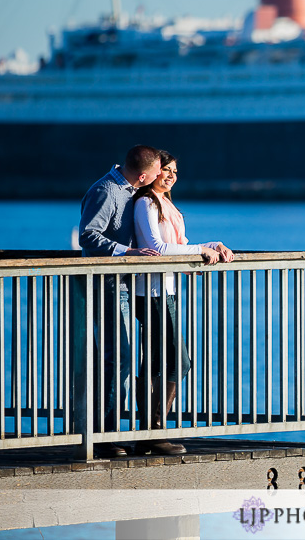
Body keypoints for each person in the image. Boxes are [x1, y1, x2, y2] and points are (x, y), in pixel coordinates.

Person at [132, 150, 233, 455]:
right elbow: (158, 247)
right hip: (149, 291)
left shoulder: (168, 205)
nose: (172, 175)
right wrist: (201, 249)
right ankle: (154, 431)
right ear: (153, 172)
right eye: (166, 169)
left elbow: (182, 246)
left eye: (175, 171)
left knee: (155, 361)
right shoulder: (146, 203)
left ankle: (150, 434)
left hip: (167, 290)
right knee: (178, 361)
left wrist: (213, 245)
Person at [78, 144, 162, 458]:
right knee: (120, 358)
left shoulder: (130, 191)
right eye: (156, 172)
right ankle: (104, 435)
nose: (159, 176)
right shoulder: (106, 190)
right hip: (107, 284)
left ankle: (112, 432)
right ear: (143, 174)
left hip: (124, 285)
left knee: (123, 358)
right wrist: (128, 252)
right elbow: (88, 235)